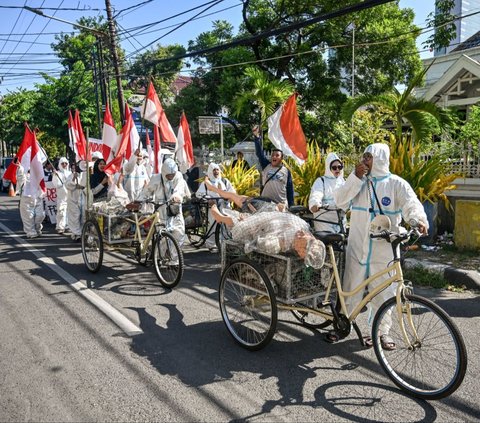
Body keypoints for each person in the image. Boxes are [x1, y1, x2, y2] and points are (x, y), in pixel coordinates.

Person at [331, 143, 428, 349]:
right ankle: (343, 325)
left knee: (384, 290)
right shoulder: (359, 182)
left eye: (369, 157)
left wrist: (418, 220)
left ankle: (382, 332)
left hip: (384, 249)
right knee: (351, 286)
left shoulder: (396, 184)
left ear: (380, 159)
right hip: (358, 244)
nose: (364, 160)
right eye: (364, 156)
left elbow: (411, 203)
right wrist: (354, 178)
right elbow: (339, 201)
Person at [210, 204, 325, 269]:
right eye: (302, 250)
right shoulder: (291, 238)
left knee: (245, 219)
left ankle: (240, 217)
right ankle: (220, 217)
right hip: (266, 225)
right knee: (239, 225)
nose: (301, 253)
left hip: (272, 222)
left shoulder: (303, 230)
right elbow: (264, 243)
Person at [141, 158, 190, 246]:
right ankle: (160, 257)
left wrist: (176, 197)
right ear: (164, 172)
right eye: (169, 175)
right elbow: (146, 191)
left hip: (175, 210)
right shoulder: (156, 178)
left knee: (179, 233)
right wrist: (139, 201)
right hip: (161, 210)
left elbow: (179, 189)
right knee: (162, 236)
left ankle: (174, 259)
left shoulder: (178, 176)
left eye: (173, 174)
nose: (171, 177)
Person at [196, 163, 236, 251]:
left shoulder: (224, 181)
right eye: (214, 170)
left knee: (227, 224)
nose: (216, 172)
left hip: (224, 207)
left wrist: (229, 197)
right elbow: (199, 194)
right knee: (213, 224)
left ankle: (226, 242)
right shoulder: (206, 183)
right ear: (210, 171)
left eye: (217, 169)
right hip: (212, 207)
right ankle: (211, 244)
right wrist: (208, 200)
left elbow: (232, 192)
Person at [252, 125, 294, 208]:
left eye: (277, 155)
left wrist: (292, 205)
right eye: (273, 155)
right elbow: (259, 153)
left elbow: (290, 189)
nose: (274, 157)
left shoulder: (286, 171)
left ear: (281, 159)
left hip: (280, 205)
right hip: (265, 203)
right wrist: (257, 137)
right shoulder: (266, 165)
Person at [308, 152, 346, 233]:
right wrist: (315, 204)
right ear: (328, 168)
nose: (337, 169)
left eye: (340, 167)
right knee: (327, 242)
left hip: (340, 217)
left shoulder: (343, 182)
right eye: (334, 167)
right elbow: (316, 194)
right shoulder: (321, 181)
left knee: (342, 241)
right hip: (324, 218)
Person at [15, 159, 46, 239]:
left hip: (37, 197)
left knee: (40, 215)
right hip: (26, 199)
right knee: (28, 217)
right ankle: (31, 232)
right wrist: (20, 167)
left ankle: (37, 228)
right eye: (29, 170)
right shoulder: (24, 176)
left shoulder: (37, 175)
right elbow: (20, 177)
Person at [65, 160, 87, 241]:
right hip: (73, 199)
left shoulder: (85, 174)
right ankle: (77, 234)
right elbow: (68, 185)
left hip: (83, 199)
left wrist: (82, 187)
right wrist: (74, 178)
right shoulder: (71, 176)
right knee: (75, 216)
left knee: (83, 216)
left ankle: (82, 232)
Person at [53, 157, 71, 234]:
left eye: (65, 163)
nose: (64, 165)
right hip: (61, 196)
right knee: (61, 211)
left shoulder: (70, 173)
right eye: (62, 163)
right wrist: (55, 176)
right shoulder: (57, 173)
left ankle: (68, 225)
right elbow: (56, 184)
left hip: (69, 196)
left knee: (69, 211)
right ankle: (60, 227)